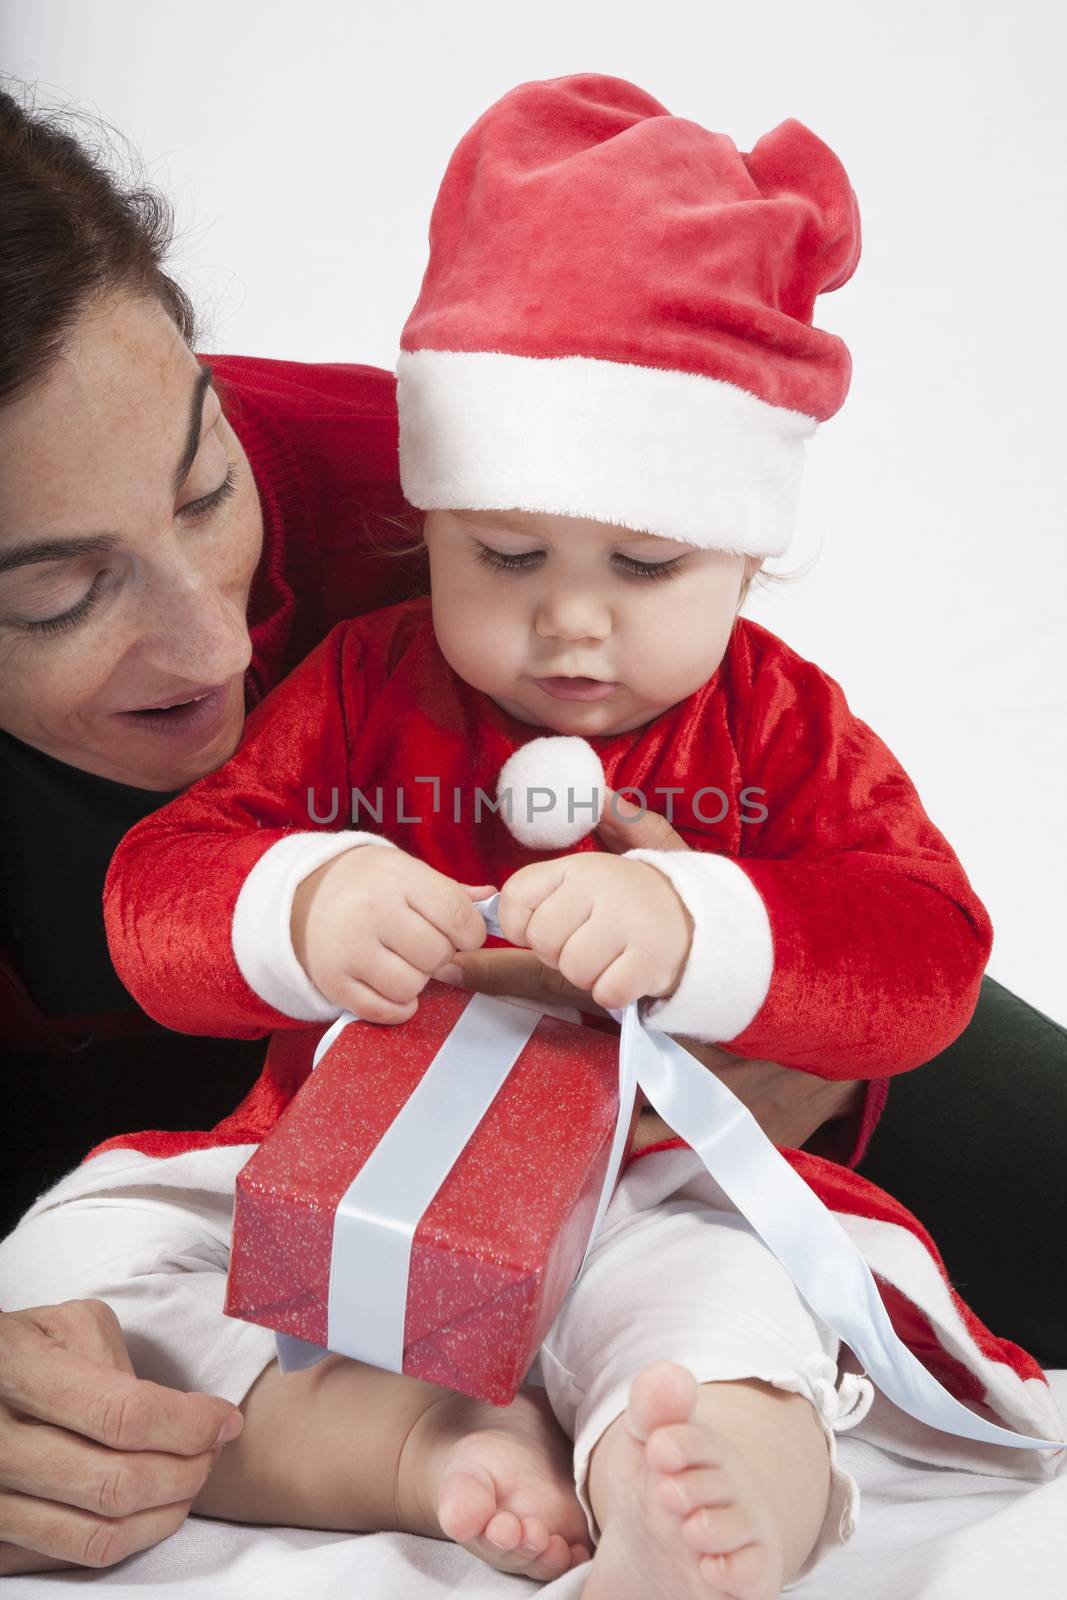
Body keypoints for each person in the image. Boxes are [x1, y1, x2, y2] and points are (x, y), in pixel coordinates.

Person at [8, 76, 1061, 1598]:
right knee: (81, 1267)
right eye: (55, 595)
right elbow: (166, 898)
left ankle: (700, 1497)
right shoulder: (386, 677)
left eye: (206, 484)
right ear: (453, 529)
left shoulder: (655, 634)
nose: (213, 639)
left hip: (655, 1164)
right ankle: (424, 1450)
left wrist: (729, 939)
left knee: (723, 1309)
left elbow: (920, 942)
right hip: (315, 1154)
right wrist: (308, 899)